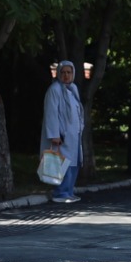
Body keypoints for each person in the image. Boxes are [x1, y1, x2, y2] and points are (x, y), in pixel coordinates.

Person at [41, 59, 86, 203]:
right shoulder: (54, 89)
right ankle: (60, 193)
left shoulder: (73, 89)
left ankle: (69, 191)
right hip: (61, 136)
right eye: (63, 72)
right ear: (59, 74)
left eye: (69, 72)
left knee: (74, 163)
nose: (66, 75)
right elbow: (51, 113)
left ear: (73, 73)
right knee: (62, 163)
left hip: (74, 135)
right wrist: (54, 135)